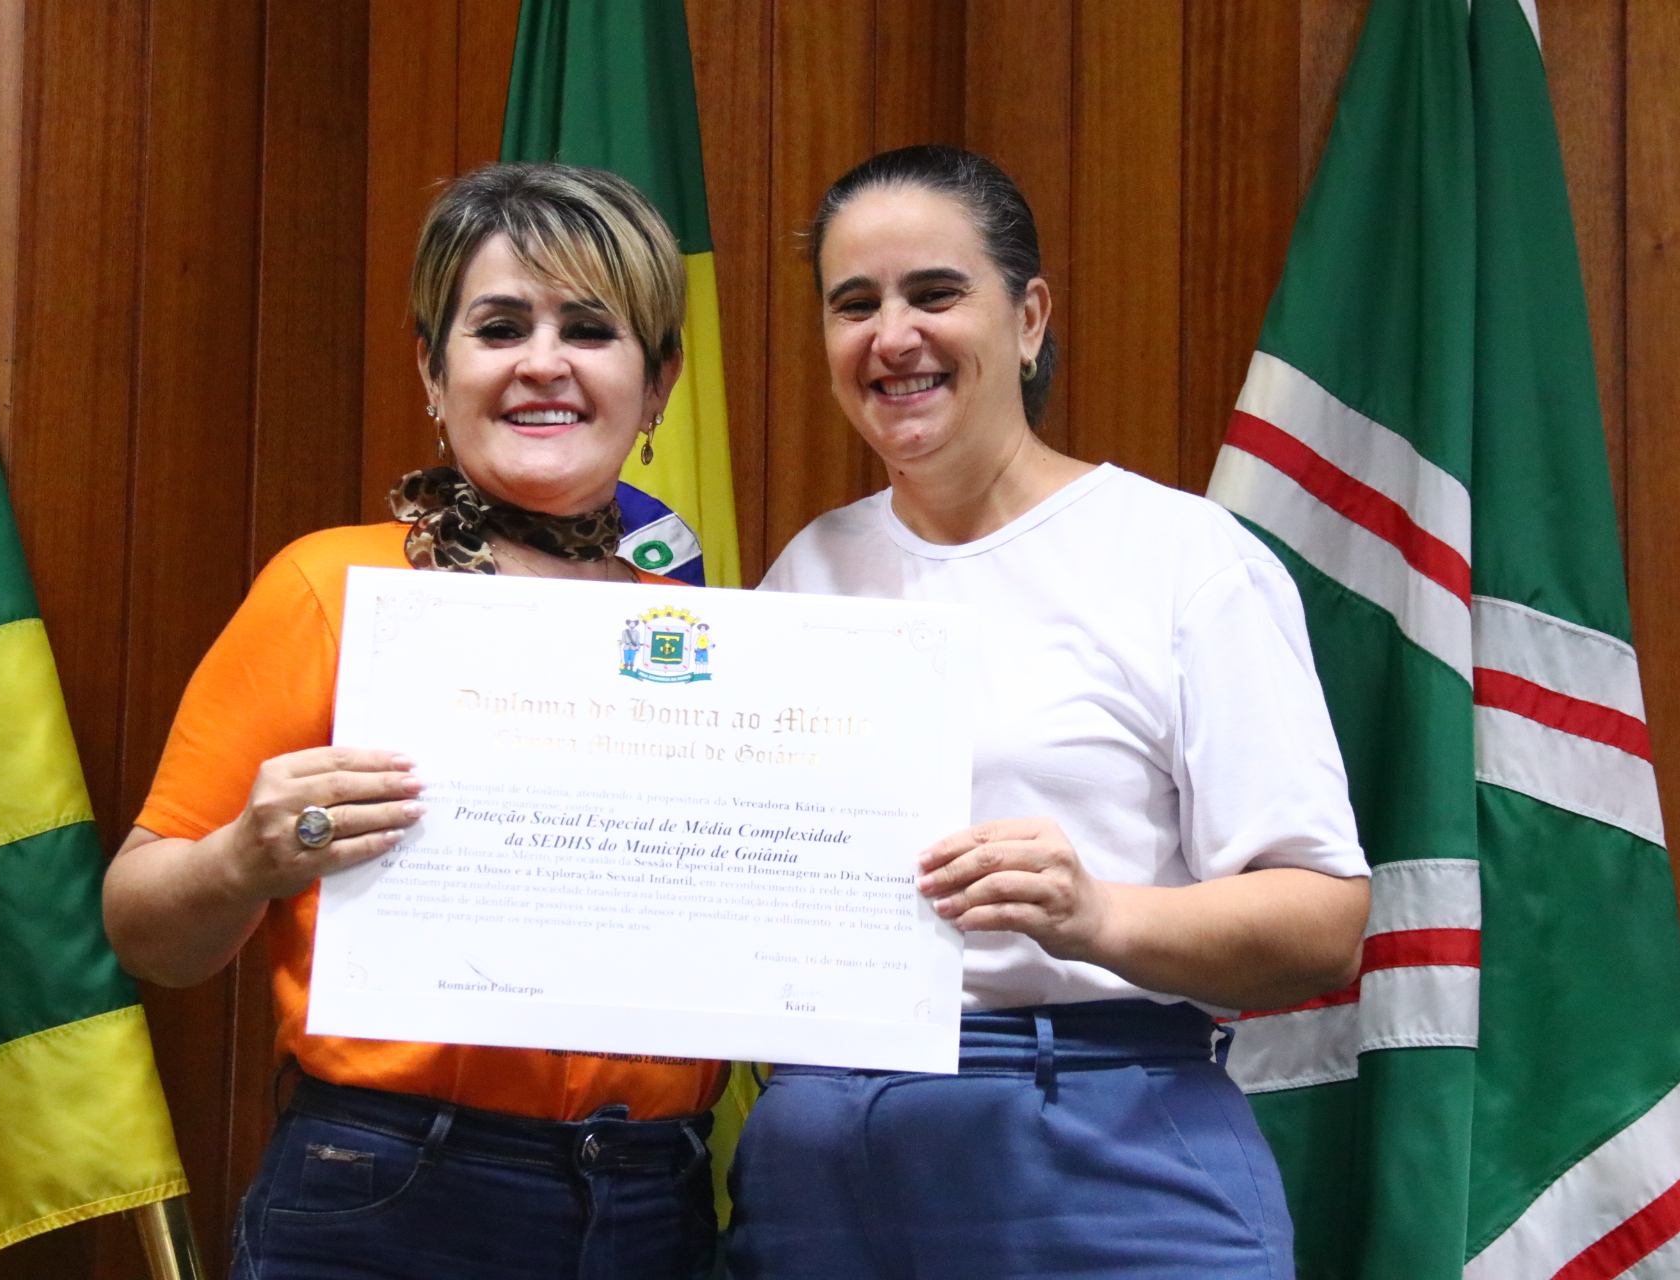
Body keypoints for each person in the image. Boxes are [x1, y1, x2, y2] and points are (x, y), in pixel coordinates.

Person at [728, 145, 1373, 1279]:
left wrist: (1095, 913)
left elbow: (1322, 920)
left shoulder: (1181, 558)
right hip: (826, 1168)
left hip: (1105, 1145)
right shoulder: (807, 573)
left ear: (1028, 319)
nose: (893, 336)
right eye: (854, 304)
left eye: (935, 293)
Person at [103, 163, 724, 1280]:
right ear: (434, 370)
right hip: (391, 1189)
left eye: (591, 329)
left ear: (659, 382)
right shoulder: (328, 588)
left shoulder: (706, 638)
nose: (544, 362)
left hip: (654, 1198)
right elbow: (145, 932)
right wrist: (247, 856)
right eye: (500, 327)